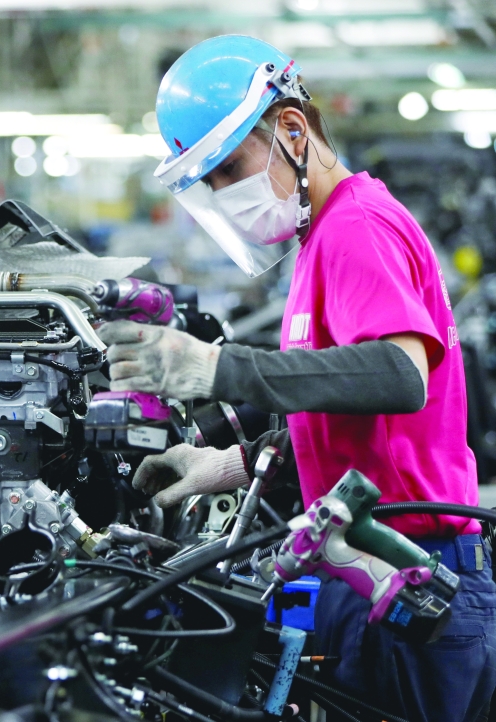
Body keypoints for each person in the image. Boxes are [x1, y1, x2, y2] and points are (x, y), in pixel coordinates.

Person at [98, 35, 496, 722]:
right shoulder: (323, 238)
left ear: (291, 127)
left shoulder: (355, 227)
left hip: (408, 566)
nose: (225, 196)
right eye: (210, 182)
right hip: (358, 559)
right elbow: (339, 408)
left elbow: (400, 377)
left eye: (229, 169)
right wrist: (229, 461)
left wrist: (215, 367)